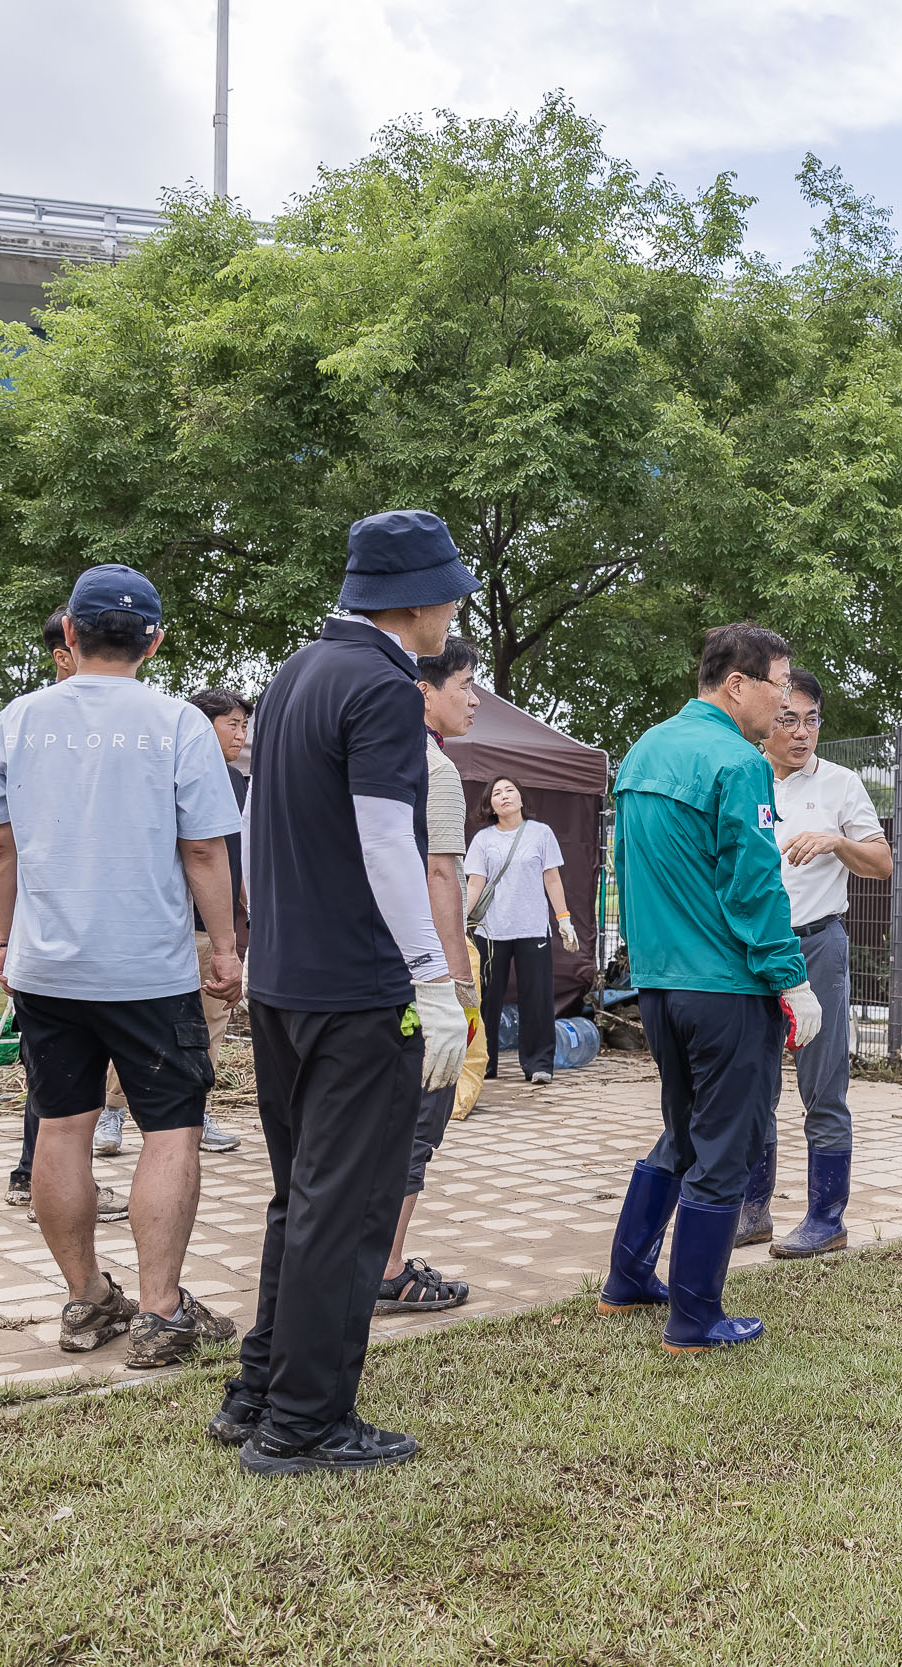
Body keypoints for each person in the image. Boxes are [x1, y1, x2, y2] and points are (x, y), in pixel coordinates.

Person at [209, 510, 475, 1476]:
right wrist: (432, 977)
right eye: (449, 596)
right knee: (351, 1206)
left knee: (302, 1197)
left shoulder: (293, 674)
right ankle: (305, 1421)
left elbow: (254, 825)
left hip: (286, 981)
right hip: (359, 988)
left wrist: (259, 941)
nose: (454, 614)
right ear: (413, 599)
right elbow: (388, 843)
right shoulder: (384, 687)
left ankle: (259, 1388)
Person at [0, 565, 246, 1368]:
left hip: (47, 967)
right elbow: (203, 848)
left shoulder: (17, 721)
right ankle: (161, 1313)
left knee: (61, 1125)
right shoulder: (178, 724)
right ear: (154, 641)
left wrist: (6, 940)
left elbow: (4, 845)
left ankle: (86, 1299)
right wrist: (225, 947)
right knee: (170, 1130)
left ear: (69, 632)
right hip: (148, 968)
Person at [597, 623, 824, 1354]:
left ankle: (628, 1277)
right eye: (777, 686)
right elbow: (753, 884)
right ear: (736, 684)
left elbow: (624, 864)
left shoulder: (643, 751)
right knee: (726, 1146)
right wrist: (793, 977)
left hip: (659, 984)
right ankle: (696, 1317)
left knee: (684, 1130)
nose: (784, 703)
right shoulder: (739, 762)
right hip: (727, 988)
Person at [735, 666, 890, 1256]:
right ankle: (752, 1210)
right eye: (788, 720)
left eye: (812, 720)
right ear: (764, 721)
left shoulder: (841, 784)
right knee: (753, 1087)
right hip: (750, 951)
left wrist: (837, 842)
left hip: (816, 946)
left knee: (823, 1086)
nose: (801, 733)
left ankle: (827, 1218)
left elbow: (882, 863)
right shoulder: (742, 775)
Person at [373, 640, 486, 1317]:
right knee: (418, 1122)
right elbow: (441, 876)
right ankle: (386, 1269)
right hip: (417, 979)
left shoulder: (364, 754)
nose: (474, 700)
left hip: (357, 971)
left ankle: (348, 1260)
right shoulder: (434, 768)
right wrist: (456, 987)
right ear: (425, 691)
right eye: (465, 685)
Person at [3, 610, 128, 1223]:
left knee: (60, 1083)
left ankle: (40, 1179)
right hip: (78, 945)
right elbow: (4, 844)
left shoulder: (24, 724)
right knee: (62, 1092)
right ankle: (37, 1180)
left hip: (56, 945)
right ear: (64, 651)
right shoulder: (35, 725)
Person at [91, 690, 248, 1160]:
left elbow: (232, 853)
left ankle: (198, 1111)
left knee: (212, 1020)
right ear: (200, 724)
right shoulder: (164, 769)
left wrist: (244, 909)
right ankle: (112, 1110)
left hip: (217, 927)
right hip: (168, 921)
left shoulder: (237, 781)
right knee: (144, 1022)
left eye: (244, 725)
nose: (241, 735)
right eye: (232, 724)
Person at [465, 775, 578, 1085]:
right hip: (490, 931)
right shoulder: (483, 840)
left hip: (532, 928)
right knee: (486, 999)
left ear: (521, 798)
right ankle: (483, 1063)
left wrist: (563, 919)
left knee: (537, 999)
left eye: (509, 790)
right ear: (490, 805)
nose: (504, 796)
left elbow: (552, 879)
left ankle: (539, 1064)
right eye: (497, 793)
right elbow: (475, 884)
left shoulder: (541, 833)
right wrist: (460, 919)